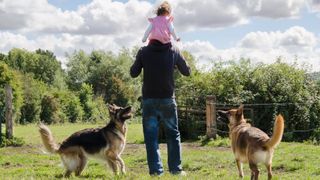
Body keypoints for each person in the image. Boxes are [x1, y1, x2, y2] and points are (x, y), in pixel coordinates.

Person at [130, 37, 190, 176]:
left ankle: (156, 172)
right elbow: (187, 72)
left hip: (149, 100)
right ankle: (176, 170)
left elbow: (133, 73)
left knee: (151, 137)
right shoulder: (174, 50)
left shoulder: (143, 51)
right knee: (173, 135)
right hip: (168, 99)